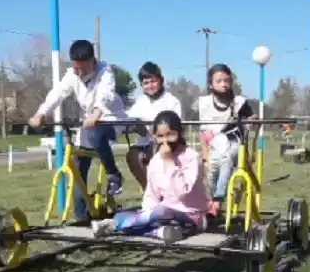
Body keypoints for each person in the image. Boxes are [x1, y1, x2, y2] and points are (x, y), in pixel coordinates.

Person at [29, 39, 127, 222]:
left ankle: (114, 175)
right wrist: (40, 113)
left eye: (82, 68)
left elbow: (105, 95)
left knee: (96, 136)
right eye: (75, 68)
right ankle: (82, 217)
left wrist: (97, 113)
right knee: (78, 167)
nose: (78, 72)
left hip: (109, 119)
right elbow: (58, 93)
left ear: (93, 61)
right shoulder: (72, 74)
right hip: (88, 123)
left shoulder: (105, 72)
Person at [90, 110, 208, 244]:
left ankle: (114, 224)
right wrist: (147, 213)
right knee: (154, 215)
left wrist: (170, 162)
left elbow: (183, 192)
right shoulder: (156, 160)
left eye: (170, 135)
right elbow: (151, 194)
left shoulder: (192, 158)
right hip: (162, 216)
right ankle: (160, 232)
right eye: (160, 136)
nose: (165, 141)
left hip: (191, 214)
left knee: (161, 212)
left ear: (180, 133)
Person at [197, 63, 255, 217]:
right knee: (211, 170)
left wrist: (249, 122)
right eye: (219, 81)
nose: (223, 84)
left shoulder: (239, 102)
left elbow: (252, 118)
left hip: (235, 145)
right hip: (215, 145)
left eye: (227, 80)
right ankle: (210, 204)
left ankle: (217, 199)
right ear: (211, 84)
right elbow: (203, 130)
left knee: (227, 158)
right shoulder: (204, 103)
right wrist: (205, 153)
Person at [124, 61, 182, 190]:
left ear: (161, 80)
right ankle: (149, 191)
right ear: (141, 85)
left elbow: (177, 128)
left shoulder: (172, 101)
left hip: (167, 144)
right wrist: (136, 127)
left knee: (157, 155)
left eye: (153, 81)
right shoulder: (140, 101)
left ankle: (164, 191)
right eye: (146, 83)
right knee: (133, 155)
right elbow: (129, 121)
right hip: (145, 143)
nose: (150, 86)